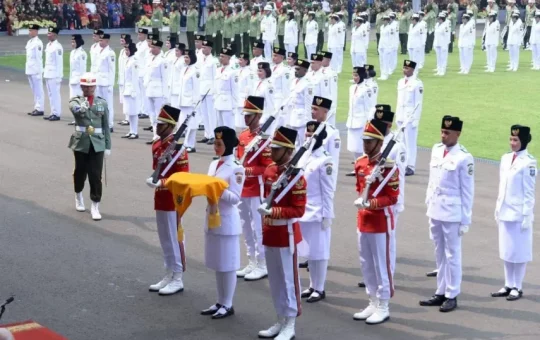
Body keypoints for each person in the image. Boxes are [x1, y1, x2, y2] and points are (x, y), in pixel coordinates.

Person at [420, 115, 474, 313]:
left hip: (452, 213)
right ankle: (440, 291)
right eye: (442, 131)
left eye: (448, 133)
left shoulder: (464, 158)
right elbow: (432, 181)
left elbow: (467, 191)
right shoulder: (436, 150)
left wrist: (465, 219)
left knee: (452, 255)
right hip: (435, 209)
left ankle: (452, 294)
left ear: (457, 134)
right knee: (439, 253)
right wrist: (428, 202)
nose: (443, 135)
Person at [257, 126, 306, 340]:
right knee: (275, 280)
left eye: (276, 149)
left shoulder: (297, 177)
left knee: (288, 280)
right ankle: (280, 318)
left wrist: (274, 211)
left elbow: (298, 209)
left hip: (286, 234)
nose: (271, 152)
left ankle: (291, 323)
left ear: (288, 151)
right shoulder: (270, 171)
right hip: (270, 232)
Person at [352, 118, 399, 325]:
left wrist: (371, 204)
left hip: (380, 222)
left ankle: (384, 304)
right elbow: (359, 188)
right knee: (366, 263)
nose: (366, 145)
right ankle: (372, 300)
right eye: (365, 141)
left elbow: (392, 197)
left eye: (370, 141)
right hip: (363, 221)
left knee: (382, 264)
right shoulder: (361, 163)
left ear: (380, 143)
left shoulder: (389, 167)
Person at [200, 126, 245, 319]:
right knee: (218, 264)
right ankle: (220, 300)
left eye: (219, 144)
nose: (216, 147)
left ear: (227, 144)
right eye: (215, 143)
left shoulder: (236, 167)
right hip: (212, 216)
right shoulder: (214, 164)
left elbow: (235, 197)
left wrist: (216, 188)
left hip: (227, 221)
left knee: (228, 264)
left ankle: (228, 303)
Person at [144, 104, 189, 295]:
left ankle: (178, 276)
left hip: (173, 198)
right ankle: (169, 272)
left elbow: (183, 176)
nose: (157, 126)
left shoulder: (178, 149)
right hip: (160, 196)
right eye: (157, 123)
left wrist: (162, 182)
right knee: (164, 238)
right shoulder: (158, 144)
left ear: (171, 126)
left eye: (161, 124)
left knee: (173, 237)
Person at [492, 125, 536, 301]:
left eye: (516, 140)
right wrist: (497, 207)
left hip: (519, 213)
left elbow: (529, 192)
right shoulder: (505, 158)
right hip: (504, 210)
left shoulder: (529, 162)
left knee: (519, 251)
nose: (512, 143)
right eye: (511, 139)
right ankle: (508, 284)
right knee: (507, 250)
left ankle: (518, 286)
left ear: (523, 141)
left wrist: (526, 215)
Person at [236, 96, 273, 281]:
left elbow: (268, 167)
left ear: (258, 115)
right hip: (242, 187)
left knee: (257, 227)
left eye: (249, 115)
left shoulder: (263, 139)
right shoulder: (243, 135)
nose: (246, 118)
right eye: (245, 114)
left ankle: (262, 263)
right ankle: (251, 260)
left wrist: (247, 170)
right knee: (245, 225)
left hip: (256, 188)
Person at [298, 121, 334, 303]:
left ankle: (319, 288)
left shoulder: (325, 160)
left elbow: (328, 190)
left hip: (318, 212)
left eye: (312, 135)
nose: (308, 137)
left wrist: (327, 215)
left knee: (319, 252)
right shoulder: (304, 156)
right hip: (304, 210)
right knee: (310, 252)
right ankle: (312, 285)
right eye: (307, 134)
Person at [68, 72, 111, 221]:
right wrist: (82, 108)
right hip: (81, 142)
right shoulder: (76, 101)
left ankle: (95, 205)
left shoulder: (102, 103)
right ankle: (78, 194)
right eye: (86, 87)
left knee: (95, 175)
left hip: (97, 143)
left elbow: (106, 126)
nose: (89, 89)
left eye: (91, 86)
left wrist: (107, 146)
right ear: (81, 87)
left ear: (95, 86)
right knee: (80, 172)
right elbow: (74, 109)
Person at [396, 60, 423, 176]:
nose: (405, 70)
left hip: (410, 117)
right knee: (401, 141)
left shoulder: (417, 83)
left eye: (407, 68)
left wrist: (416, 119)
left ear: (412, 70)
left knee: (410, 142)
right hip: (401, 115)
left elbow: (418, 103)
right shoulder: (401, 82)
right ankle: (402, 162)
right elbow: (399, 100)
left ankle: (410, 165)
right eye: (404, 68)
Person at [346, 66, 371, 176]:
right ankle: (357, 167)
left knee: (363, 147)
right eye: (353, 75)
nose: (354, 77)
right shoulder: (352, 88)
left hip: (361, 121)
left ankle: (365, 168)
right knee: (354, 146)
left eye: (356, 75)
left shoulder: (367, 89)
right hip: (352, 120)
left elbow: (369, 108)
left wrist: (368, 123)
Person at [144, 39, 168, 144]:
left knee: (159, 115)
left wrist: (165, 94)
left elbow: (165, 78)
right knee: (152, 114)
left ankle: (161, 136)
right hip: (149, 89)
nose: (151, 49)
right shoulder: (150, 59)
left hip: (159, 91)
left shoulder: (163, 60)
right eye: (151, 47)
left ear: (158, 48)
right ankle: (155, 135)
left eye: (153, 47)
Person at [286, 59, 313, 148]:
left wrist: (308, 123)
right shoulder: (294, 81)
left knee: (303, 143)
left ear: (305, 71)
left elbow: (309, 105)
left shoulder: (308, 84)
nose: (296, 71)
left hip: (302, 118)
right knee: (296, 143)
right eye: (295, 69)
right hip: (293, 115)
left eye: (298, 69)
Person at [178, 50, 200, 151]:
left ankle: (190, 144)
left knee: (192, 124)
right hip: (183, 101)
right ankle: (186, 144)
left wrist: (195, 102)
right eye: (185, 57)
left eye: (187, 57)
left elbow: (196, 88)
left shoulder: (195, 71)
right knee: (184, 123)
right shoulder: (184, 69)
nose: (185, 59)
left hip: (191, 101)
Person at [197, 40, 217, 145]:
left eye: (205, 47)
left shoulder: (214, 61)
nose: (203, 49)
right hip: (201, 89)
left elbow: (215, 78)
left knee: (211, 114)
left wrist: (214, 92)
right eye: (202, 47)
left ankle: (213, 135)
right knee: (204, 113)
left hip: (210, 91)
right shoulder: (200, 60)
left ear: (210, 49)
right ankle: (207, 134)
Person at [95, 34, 116, 131]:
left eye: (102, 40)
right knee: (99, 104)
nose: (100, 41)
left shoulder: (110, 53)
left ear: (107, 41)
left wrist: (111, 84)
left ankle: (109, 124)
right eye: (99, 40)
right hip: (99, 81)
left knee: (108, 104)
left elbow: (112, 70)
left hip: (106, 82)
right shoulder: (99, 51)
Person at [214, 47, 239, 129]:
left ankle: (230, 142)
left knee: (228, 127)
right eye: (220, 56)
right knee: (220, 128)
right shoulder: (218, 70)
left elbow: (235, 90)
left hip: (228, 103)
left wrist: (235, 106)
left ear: (229, 58)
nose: (220, 58)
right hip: (218, 102)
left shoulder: (232, 72)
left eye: (223, 56)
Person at [43, 27, 63, 121]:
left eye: (50, 33)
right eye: (48, 33)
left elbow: (59, 63)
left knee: (55, 94)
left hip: (54, 74)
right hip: (48, 73)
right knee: (51, 94)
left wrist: (59, 76)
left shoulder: (57, 47)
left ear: (55, 35)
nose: (48, 35)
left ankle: (56, 113)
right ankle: (52, 112)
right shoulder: (48, 45)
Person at [121, 42, 140, 139]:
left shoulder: (134, 61)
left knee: (134, 112)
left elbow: (134, 78)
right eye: (125, 50)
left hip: (132, 90)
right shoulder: (128, 60)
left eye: (127, 50)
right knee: (129, 112)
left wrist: (133, 91)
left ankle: (135, 131)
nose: (126, 52)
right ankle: (131, 130)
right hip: (127, 89)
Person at [25, 24, 45, 117]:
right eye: (29, 30)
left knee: (38, 90)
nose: (30, 32)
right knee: (34, 90)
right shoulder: (30, 42)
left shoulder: (38, 43)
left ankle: (40, 108)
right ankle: (36, 107)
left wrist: (38, 70)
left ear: (36, 31)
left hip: (36, 69)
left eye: (31, 30)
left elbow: (38, 58)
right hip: (30, 69)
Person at [235, 53, 253, 130]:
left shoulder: (250, 72)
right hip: (237, 97)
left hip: (244, 98)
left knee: (245, 122)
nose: (239, 61)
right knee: (239, 122)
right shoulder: (237, 71)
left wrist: (248, 100)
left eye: (241, 60)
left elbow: (250, 86)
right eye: (239, 59)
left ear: (246, 61)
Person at [135, 29, 150, 119]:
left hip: (143, 71)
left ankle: (145, 111)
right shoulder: (138, 45)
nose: (139, 36)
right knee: (139, 92)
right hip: (138, 71)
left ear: (145, 35)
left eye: (140, 34)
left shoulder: (147, 46)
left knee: (144, 93)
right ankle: (140, 110)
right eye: (138, 34)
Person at [69, 35, 87, 103]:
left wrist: (82, 82)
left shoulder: (82, 53)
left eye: (74, 42)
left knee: (79, 101)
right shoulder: (72, 52)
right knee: (72, 101)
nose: (72, 44)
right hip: (72, 80)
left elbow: (82, 69)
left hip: (78, 81)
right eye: (71, 42)